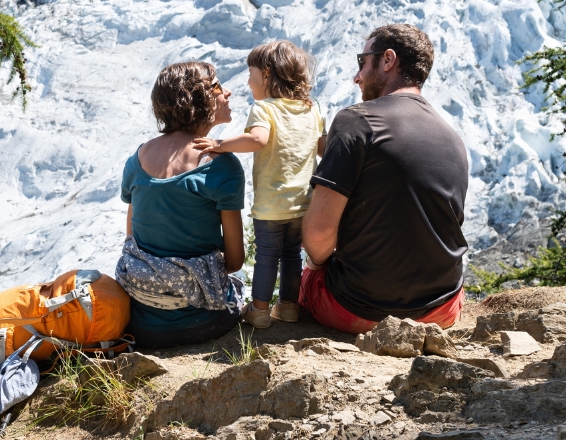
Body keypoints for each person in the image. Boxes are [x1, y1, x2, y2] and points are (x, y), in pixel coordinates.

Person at [300, 24, 469, 333]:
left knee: (310, 274)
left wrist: (316, 263)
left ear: (388, 60)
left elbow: (319, 236)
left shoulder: (357, 119)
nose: (357, 76)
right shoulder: (452, 137)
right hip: (442, 309)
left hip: (359, 310)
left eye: (362, 62)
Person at [194, 40, 326, 328]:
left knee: (267, 256)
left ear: (267, 74)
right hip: (304, 203)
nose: (247, 80)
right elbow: (323, 149)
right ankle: (289, 307)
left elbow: (258, 140)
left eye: (251, 73)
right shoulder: (312, 108)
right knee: (292, 255)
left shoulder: (264, 109)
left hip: (271, 205)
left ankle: (259, 310)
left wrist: (220, 143)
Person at [115, 61, 247, 348]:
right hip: (205, 323)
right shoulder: (222, 167)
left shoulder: (138, 158)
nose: (228, 92)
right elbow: (235, 262)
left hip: (144, 326)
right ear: (199, 100)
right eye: (217, 87)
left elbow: (131, 239)